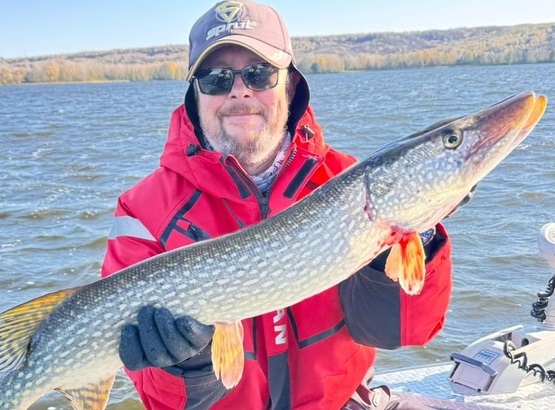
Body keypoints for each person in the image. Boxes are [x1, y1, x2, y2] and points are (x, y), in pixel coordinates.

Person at [101, 1, 455, 408]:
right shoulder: (141, 211)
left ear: (288, 84)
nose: (239, 89)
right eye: (216, 78)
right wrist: (189, 366)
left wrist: (420, 235)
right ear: (195, 95)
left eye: (259, 73)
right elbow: (164, 399)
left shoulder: (345, 182)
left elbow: (399, 332)